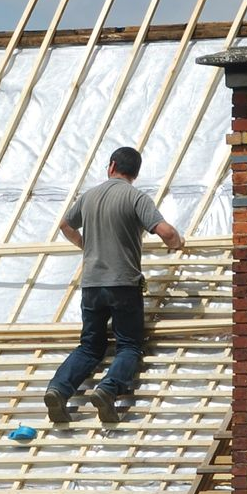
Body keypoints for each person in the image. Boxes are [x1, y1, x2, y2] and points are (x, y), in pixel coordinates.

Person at [44, 146, 183, 426]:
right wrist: (178, 243)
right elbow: (166, 232)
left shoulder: (89, 197)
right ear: (135, 173)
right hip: (123, 285)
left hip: (92, 286)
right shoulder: (135, 198)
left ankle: (58, 389)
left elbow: (65, 226)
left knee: (90, 347)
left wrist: (86, 246)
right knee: (129, 346)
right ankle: (108, 390)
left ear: (111, 166)